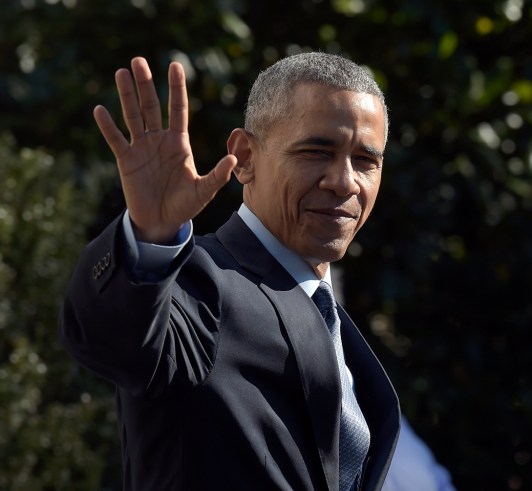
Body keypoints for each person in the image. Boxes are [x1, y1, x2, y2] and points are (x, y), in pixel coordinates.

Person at [59, 53, 400, 491]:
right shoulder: (197, 282)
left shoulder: (334, 323)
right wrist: (149, 235)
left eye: (366, 160)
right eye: (317, 151)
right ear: (244, 157)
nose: (344, 180)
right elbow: (112, 336)